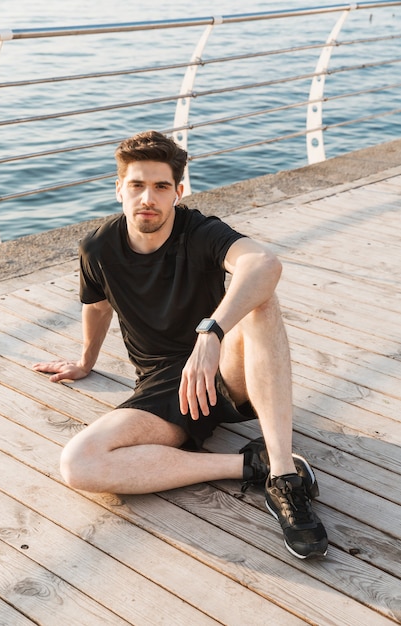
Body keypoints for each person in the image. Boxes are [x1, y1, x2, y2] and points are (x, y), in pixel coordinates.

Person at [33, 130, 328, 559]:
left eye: (160, 186)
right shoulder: (97, 248)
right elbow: (97, 306)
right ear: (119, 189)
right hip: (165, 387)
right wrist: (84, 360)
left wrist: (211, 333)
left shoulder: (200, 232)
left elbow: (264, 263)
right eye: (136, 185)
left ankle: (284, 475)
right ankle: (251, 465)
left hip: (225, 368)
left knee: (262, 300)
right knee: (78, 464)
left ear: (178, 191)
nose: (147, 198)